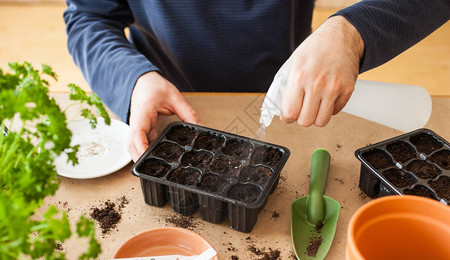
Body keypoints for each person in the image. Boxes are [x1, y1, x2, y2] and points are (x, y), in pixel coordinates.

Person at [64, 0, 449, 161]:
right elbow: (89, 16)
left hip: (297, 101)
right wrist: (133, 80)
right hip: (170, 104)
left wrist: (353, 31)